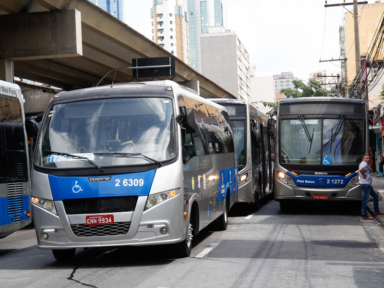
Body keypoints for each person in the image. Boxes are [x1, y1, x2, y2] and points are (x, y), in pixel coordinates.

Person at [359, 154, 384, 220]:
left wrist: (368, 169)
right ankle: (364, 215)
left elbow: (363, 169)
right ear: (363, 159)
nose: (368, 159)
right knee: (365, 200)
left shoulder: (364, 164)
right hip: (366, 185)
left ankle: (377, 211)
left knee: (375, 196)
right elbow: (361, 169)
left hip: (367, 185)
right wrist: (364, 175)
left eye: (369, 158)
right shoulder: (364, 164)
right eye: (366, 158)